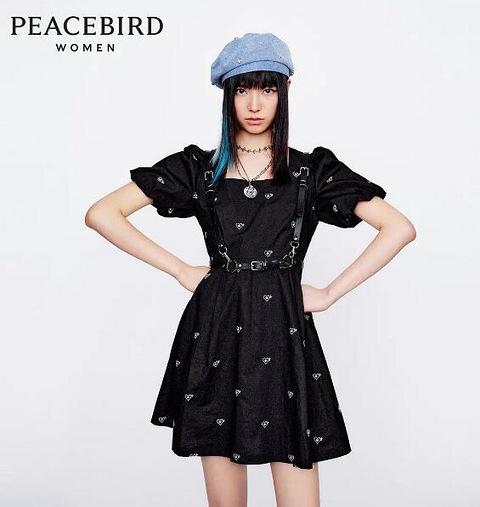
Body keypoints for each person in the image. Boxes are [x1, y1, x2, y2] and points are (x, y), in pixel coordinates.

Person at [85, 32, 416, 507]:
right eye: (242, 89)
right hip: (217, 333)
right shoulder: (199, 169)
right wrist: (180, 269)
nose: (255, 103)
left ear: (285, 91)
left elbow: (398, 227)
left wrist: (329, 292)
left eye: (268, 88)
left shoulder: (310, 171)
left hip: (284, 335)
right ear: (227, 94)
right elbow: (102, 213)